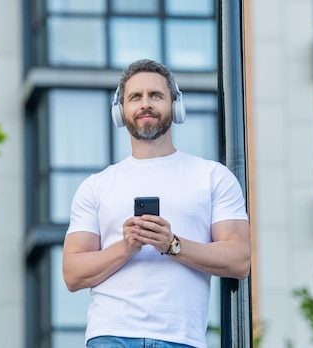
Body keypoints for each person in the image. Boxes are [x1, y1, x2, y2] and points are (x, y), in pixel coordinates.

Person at [62, 58, 251, 348]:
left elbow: (239, 260)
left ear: (175, 106)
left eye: (156, 95)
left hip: (180, 338)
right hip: (110, 336)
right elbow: (73, 273)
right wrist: (126, 247)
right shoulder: (96, 186)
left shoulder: (212, 176)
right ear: (120, 110)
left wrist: (172, 244)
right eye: (135, 97)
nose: (145, 104)